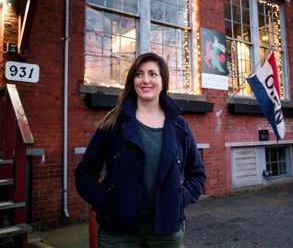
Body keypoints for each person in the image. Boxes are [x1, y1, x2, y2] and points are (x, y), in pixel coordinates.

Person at [75, 53, 206, 247]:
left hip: (166, 232)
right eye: (139, 74)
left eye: (153, 74)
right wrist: (106, 201)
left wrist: (179, 199)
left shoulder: (179, 126)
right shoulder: (114, 122)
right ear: (132, 80)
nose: (146, 80)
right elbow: (84, 172)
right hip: (118, 232)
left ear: (163, 81)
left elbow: (197, 174)